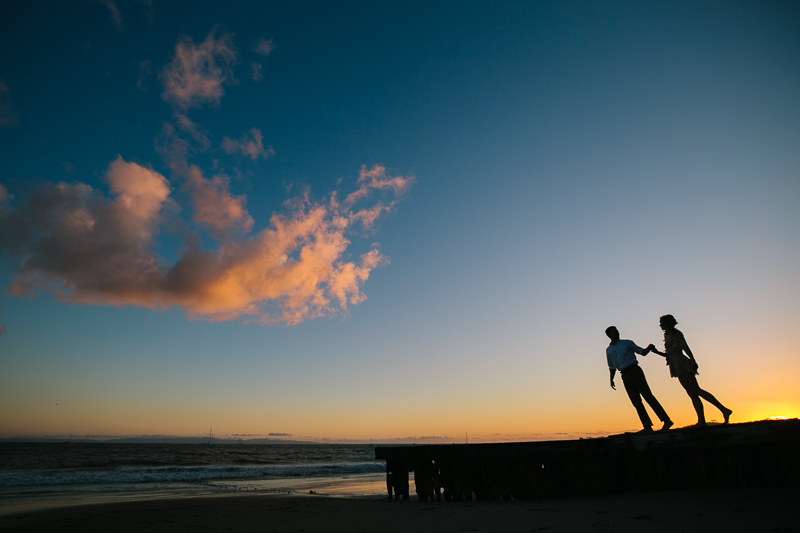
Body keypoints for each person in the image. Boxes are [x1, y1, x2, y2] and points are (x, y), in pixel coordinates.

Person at [650, 314, 732, 426]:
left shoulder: (676, 334)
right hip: (675, 363)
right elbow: (669, 354)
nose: (660, 325)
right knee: (692, 393)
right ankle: (702, 420)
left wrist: (693, 360)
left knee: (695, 390)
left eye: (662, 323)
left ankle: (724, 410)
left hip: (681, 363)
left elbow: (684, 347)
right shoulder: (669, 334)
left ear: (667, 323)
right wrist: (656, 352)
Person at [605, 326, 673, 432]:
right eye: (614, 331)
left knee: (647, 396)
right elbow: (611, 366)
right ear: (609, 335)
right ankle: (647, 426)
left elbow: (642, 352)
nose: (617, 332)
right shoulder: (609, 350)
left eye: (617, 330)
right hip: (624, 374)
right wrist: (611, 379)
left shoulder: (627, 343)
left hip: (635, 371)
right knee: (636, 402)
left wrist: (649, 348)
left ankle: (666, 420)